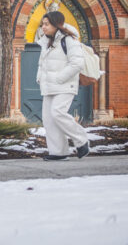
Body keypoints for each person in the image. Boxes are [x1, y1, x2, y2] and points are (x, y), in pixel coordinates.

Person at [35, 11, 91, 161]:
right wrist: (40, 77)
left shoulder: (69, 40)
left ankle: (81, 140)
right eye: (42, 24)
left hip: (65, 85)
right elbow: (42, 63)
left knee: (57, 112)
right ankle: (58, 152)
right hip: (48, 86)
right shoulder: (45, 42)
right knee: (49, 119)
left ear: (55, 24)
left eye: (46, 24)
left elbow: (77, 63)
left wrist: (59, 78)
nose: (43, 27)